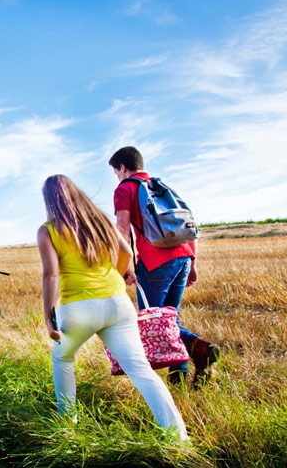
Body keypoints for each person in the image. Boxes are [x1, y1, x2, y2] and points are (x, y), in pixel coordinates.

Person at [38, 174, 188, 440]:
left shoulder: (49, 230)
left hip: (78, 308)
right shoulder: (101, 221)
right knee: (141, 370)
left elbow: (51, 275)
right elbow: (127, 252)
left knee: (63, 359)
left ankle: (68, 424)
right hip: (118, 304)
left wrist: (49, 316)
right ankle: (178, 437)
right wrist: (118, 275)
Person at [109, 146, 219, 385]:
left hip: (155, 262)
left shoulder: (125, 188)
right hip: (183, 256)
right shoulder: (161, 186)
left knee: (156, 321)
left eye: (115, 172)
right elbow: (188, 224)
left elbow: (122, 229)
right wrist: (192, 262)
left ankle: (199, 348)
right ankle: (179, 374)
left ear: (123, 168)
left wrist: (123, 265)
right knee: (171, 316)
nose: (116, 176)